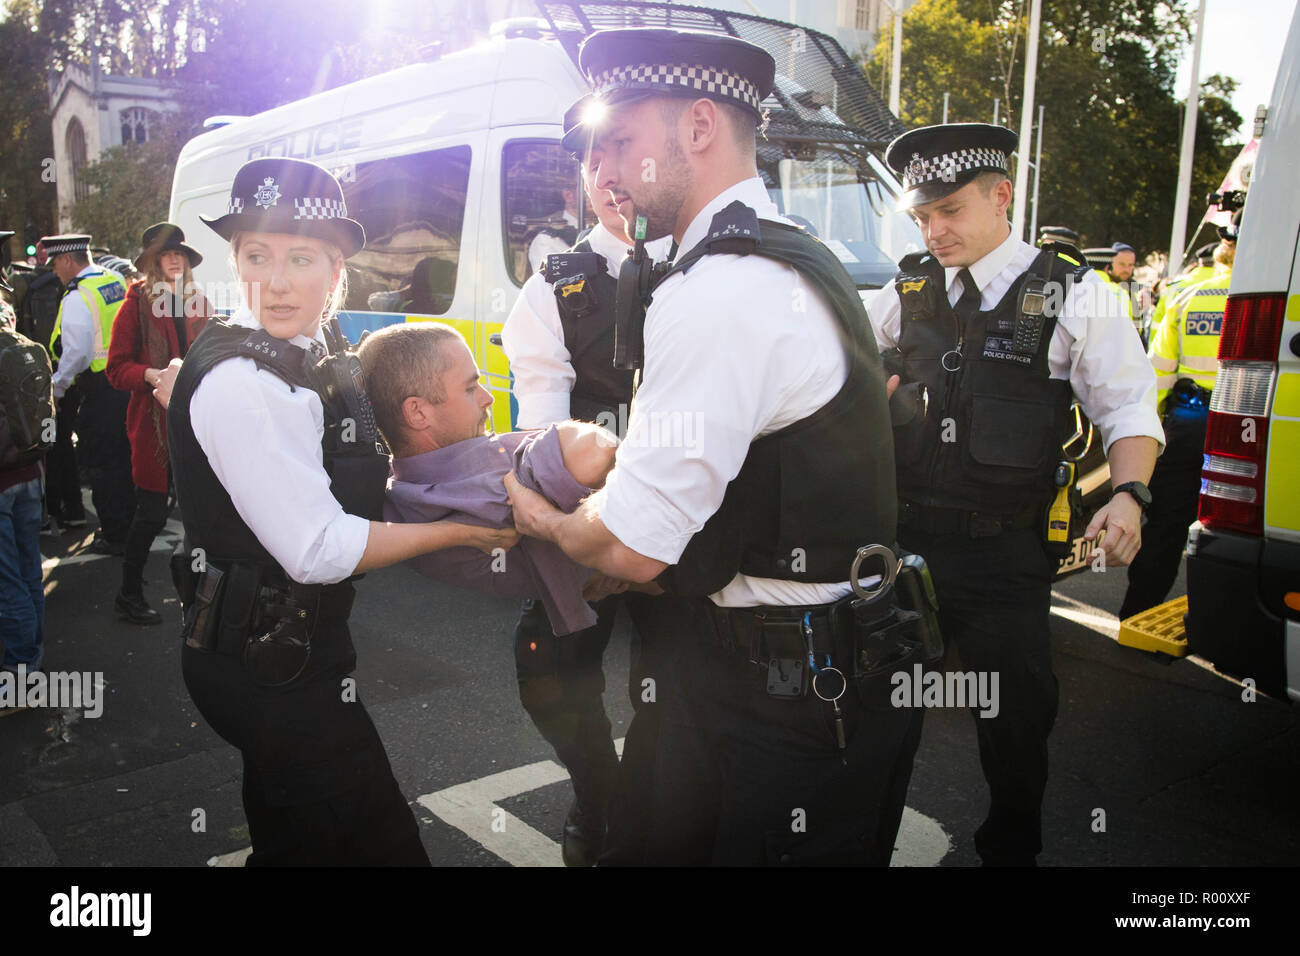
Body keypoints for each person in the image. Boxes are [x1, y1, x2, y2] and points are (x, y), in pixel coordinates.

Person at [506, 28, 924, 866]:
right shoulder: (785, 253)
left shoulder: (722, 289)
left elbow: (628, 545)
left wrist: (539, 524)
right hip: (763, 668)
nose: (606, 170)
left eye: (622, 140)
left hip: (781, 698)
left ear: (698, 127)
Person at [168, 157, 517, 865]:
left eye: (301, 257)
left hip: (278, 650)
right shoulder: (244, 380)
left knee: (294, 838)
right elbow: (317, 548)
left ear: (336, 273)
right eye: (256, 255)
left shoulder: (300, 349)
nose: (276, 278)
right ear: (235, 261)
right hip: (272, 666)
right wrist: (459, 531)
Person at [869, 122, 1163, 865]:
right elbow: (838, 375)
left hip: (1004, 555)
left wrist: (1128, 494)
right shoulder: (905, 291)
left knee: (1016, 724)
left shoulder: (1074, 293)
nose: (934, 231)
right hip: (904, 547)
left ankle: (1011, 850)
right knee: (879, 718)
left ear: (1002, 196)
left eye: (951, 211)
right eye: (923, 217)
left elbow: (1128, 409)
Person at [500, 93, 674, 866]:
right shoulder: (552, 288)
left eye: (622, 150)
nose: (608, 173)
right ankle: (597, 796)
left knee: (677, 689)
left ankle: (651, 809)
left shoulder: (712, 266)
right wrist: (585, 539)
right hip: (592, 519)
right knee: (548, 667)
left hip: (697, 521)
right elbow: (545, 436)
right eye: (592, 157)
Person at [358, 320, 637, 635]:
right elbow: (593, 450)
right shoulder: (475, 494)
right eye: (469, 388)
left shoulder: (402, 488)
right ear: (418, 413)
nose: (487, 397)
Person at [1119, 226, 1236, 619]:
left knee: (1166, 526)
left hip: (1188, 422)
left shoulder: (1186, 293)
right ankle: (1227, 625)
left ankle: (1137, 614)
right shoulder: (1275, 292)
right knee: (1236, 531)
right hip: (1246, 428)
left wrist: (1151, 431)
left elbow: (1161, 371)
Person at [105, 223, 214, 625]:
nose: (174, 259)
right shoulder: (136, 303)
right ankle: (128, 594)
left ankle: (199, 594)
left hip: (196, 421)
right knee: (151, 513)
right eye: (166, 254)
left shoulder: (199, 302)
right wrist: (152, 375)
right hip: (153, 427)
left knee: (201, 512)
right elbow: (116, 370)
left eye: (180, 254)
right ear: (151, 262)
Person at [44, 234, 135, 555]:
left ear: (68, 260)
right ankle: (129, 523)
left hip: (98, 389)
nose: (55, 271)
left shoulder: (76, 296)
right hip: (125, 383)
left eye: (55, 263)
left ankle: (113, 533)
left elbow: (78, 352)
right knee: (125, 458)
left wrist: (58, 385)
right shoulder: (112, 279)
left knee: (103, 463)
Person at [11, 240, 85, 533]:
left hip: (50, 380)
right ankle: (74, 508)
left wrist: (57, 386)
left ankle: (53, 510)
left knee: (51, 446)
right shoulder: (69, 287)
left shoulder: (43, 288)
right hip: (72, 380)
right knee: (63, 444)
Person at [0, 291, 47, 716]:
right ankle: (31, 661)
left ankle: (19, 675)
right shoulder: (23, 346)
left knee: (6, 581)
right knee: (27, 572)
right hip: (30, 475)